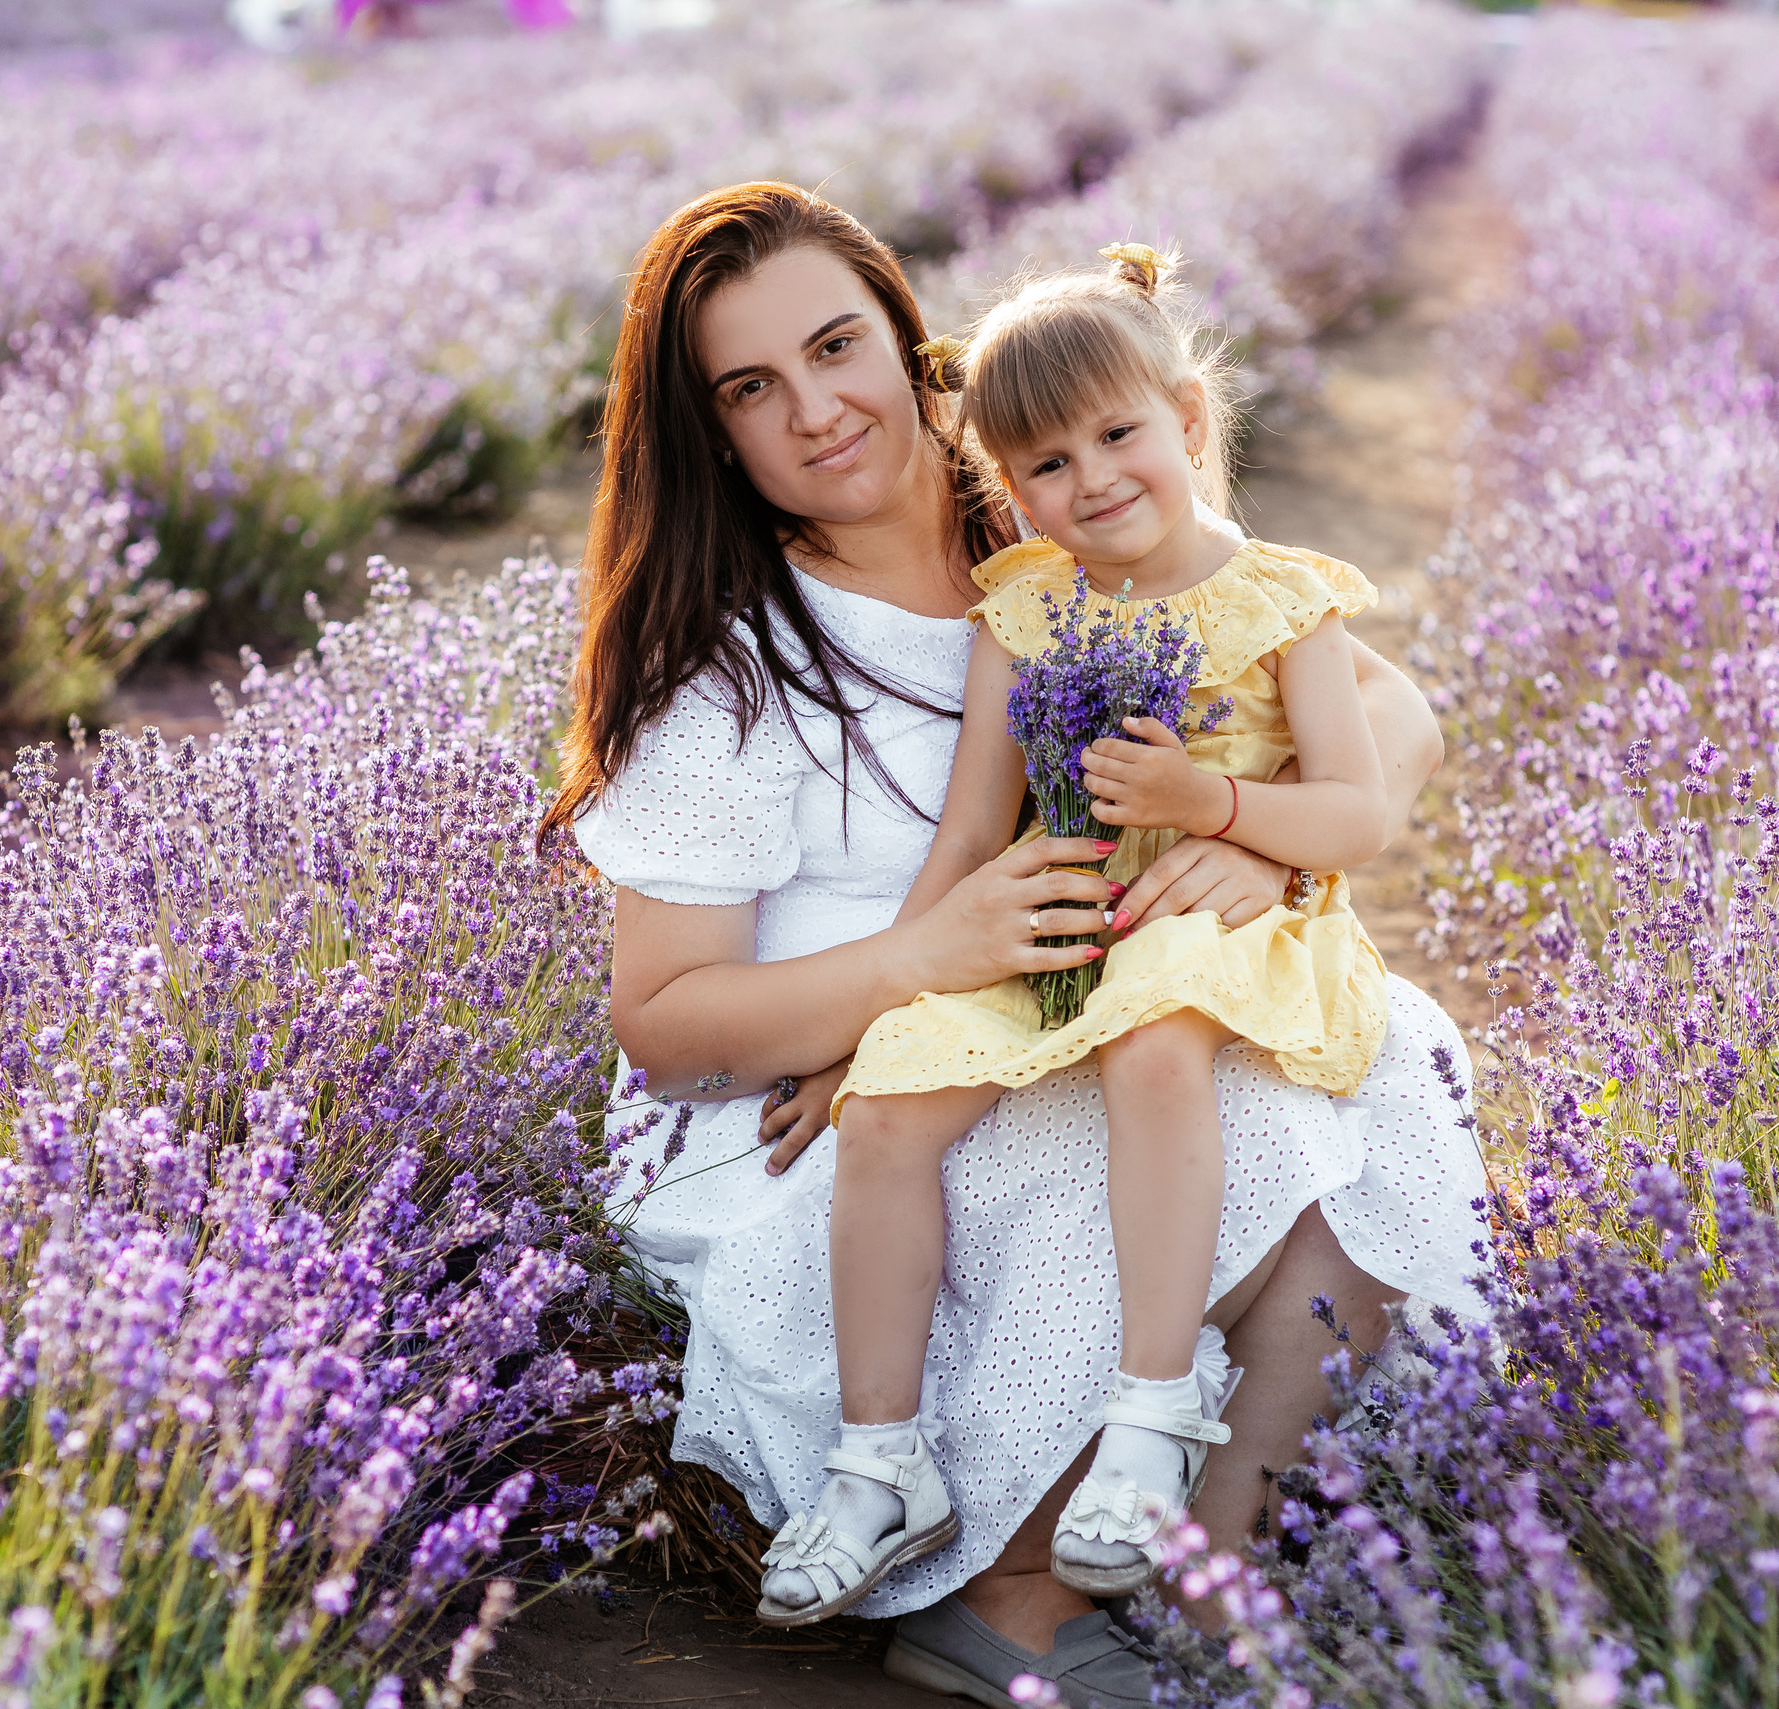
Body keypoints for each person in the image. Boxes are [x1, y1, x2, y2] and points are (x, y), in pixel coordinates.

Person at [543, 182, 1490, 1708]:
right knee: (1189, 1117)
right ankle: (1019, 1601)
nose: (817, 408)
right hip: (792, 1096)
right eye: (752, 389)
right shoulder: (733, 666)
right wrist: (906, 981)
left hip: (1057, 995)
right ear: (715, 434)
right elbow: (662, 1023)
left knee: (1389, 1061)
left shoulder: (1056, 511)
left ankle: (1209, 1553)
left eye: (838, 345)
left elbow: (1392, 714)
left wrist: (1241, 835)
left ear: (907, 343)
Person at [756, 243, 1410, 1627]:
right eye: (1046, 462)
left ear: (1186, 418)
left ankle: (1153, 1408)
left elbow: (1355, 814)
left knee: (1160, 1032)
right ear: (1008, 486)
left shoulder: (1282, 597)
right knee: (887, 1108)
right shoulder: (1030, 607)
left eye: (1119, 434)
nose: (1093, 478)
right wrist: (870, 1025)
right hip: (1060, 923)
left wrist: (1213, 804)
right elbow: (970, 835)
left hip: (1217, 926)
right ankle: (881, 1460)